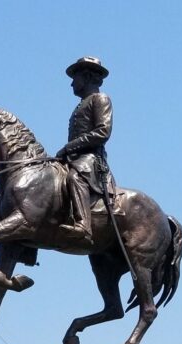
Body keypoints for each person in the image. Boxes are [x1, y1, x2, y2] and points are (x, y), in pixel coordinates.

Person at [56, 56, 112, 244]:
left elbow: (102, 132)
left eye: (75, 77)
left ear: (87, 77)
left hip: (91, 159)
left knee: (75, 177)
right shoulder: (80, 105)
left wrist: (69, 147)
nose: (72, 83)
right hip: (74, 157)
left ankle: (83, 225)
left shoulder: (100, 99)